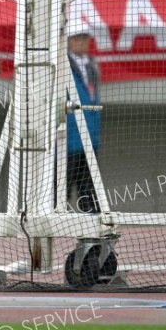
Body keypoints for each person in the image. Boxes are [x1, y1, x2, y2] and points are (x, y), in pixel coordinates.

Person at [66, 21, 102, 214]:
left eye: (84, 37)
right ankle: (50, 235)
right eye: (76, 37)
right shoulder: (62, 64)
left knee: (89, 189)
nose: (81, 41)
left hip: (90, 139)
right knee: (60, 188)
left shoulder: (92, 65)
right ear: (68, 41)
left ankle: (92, 236)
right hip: (67, 140)